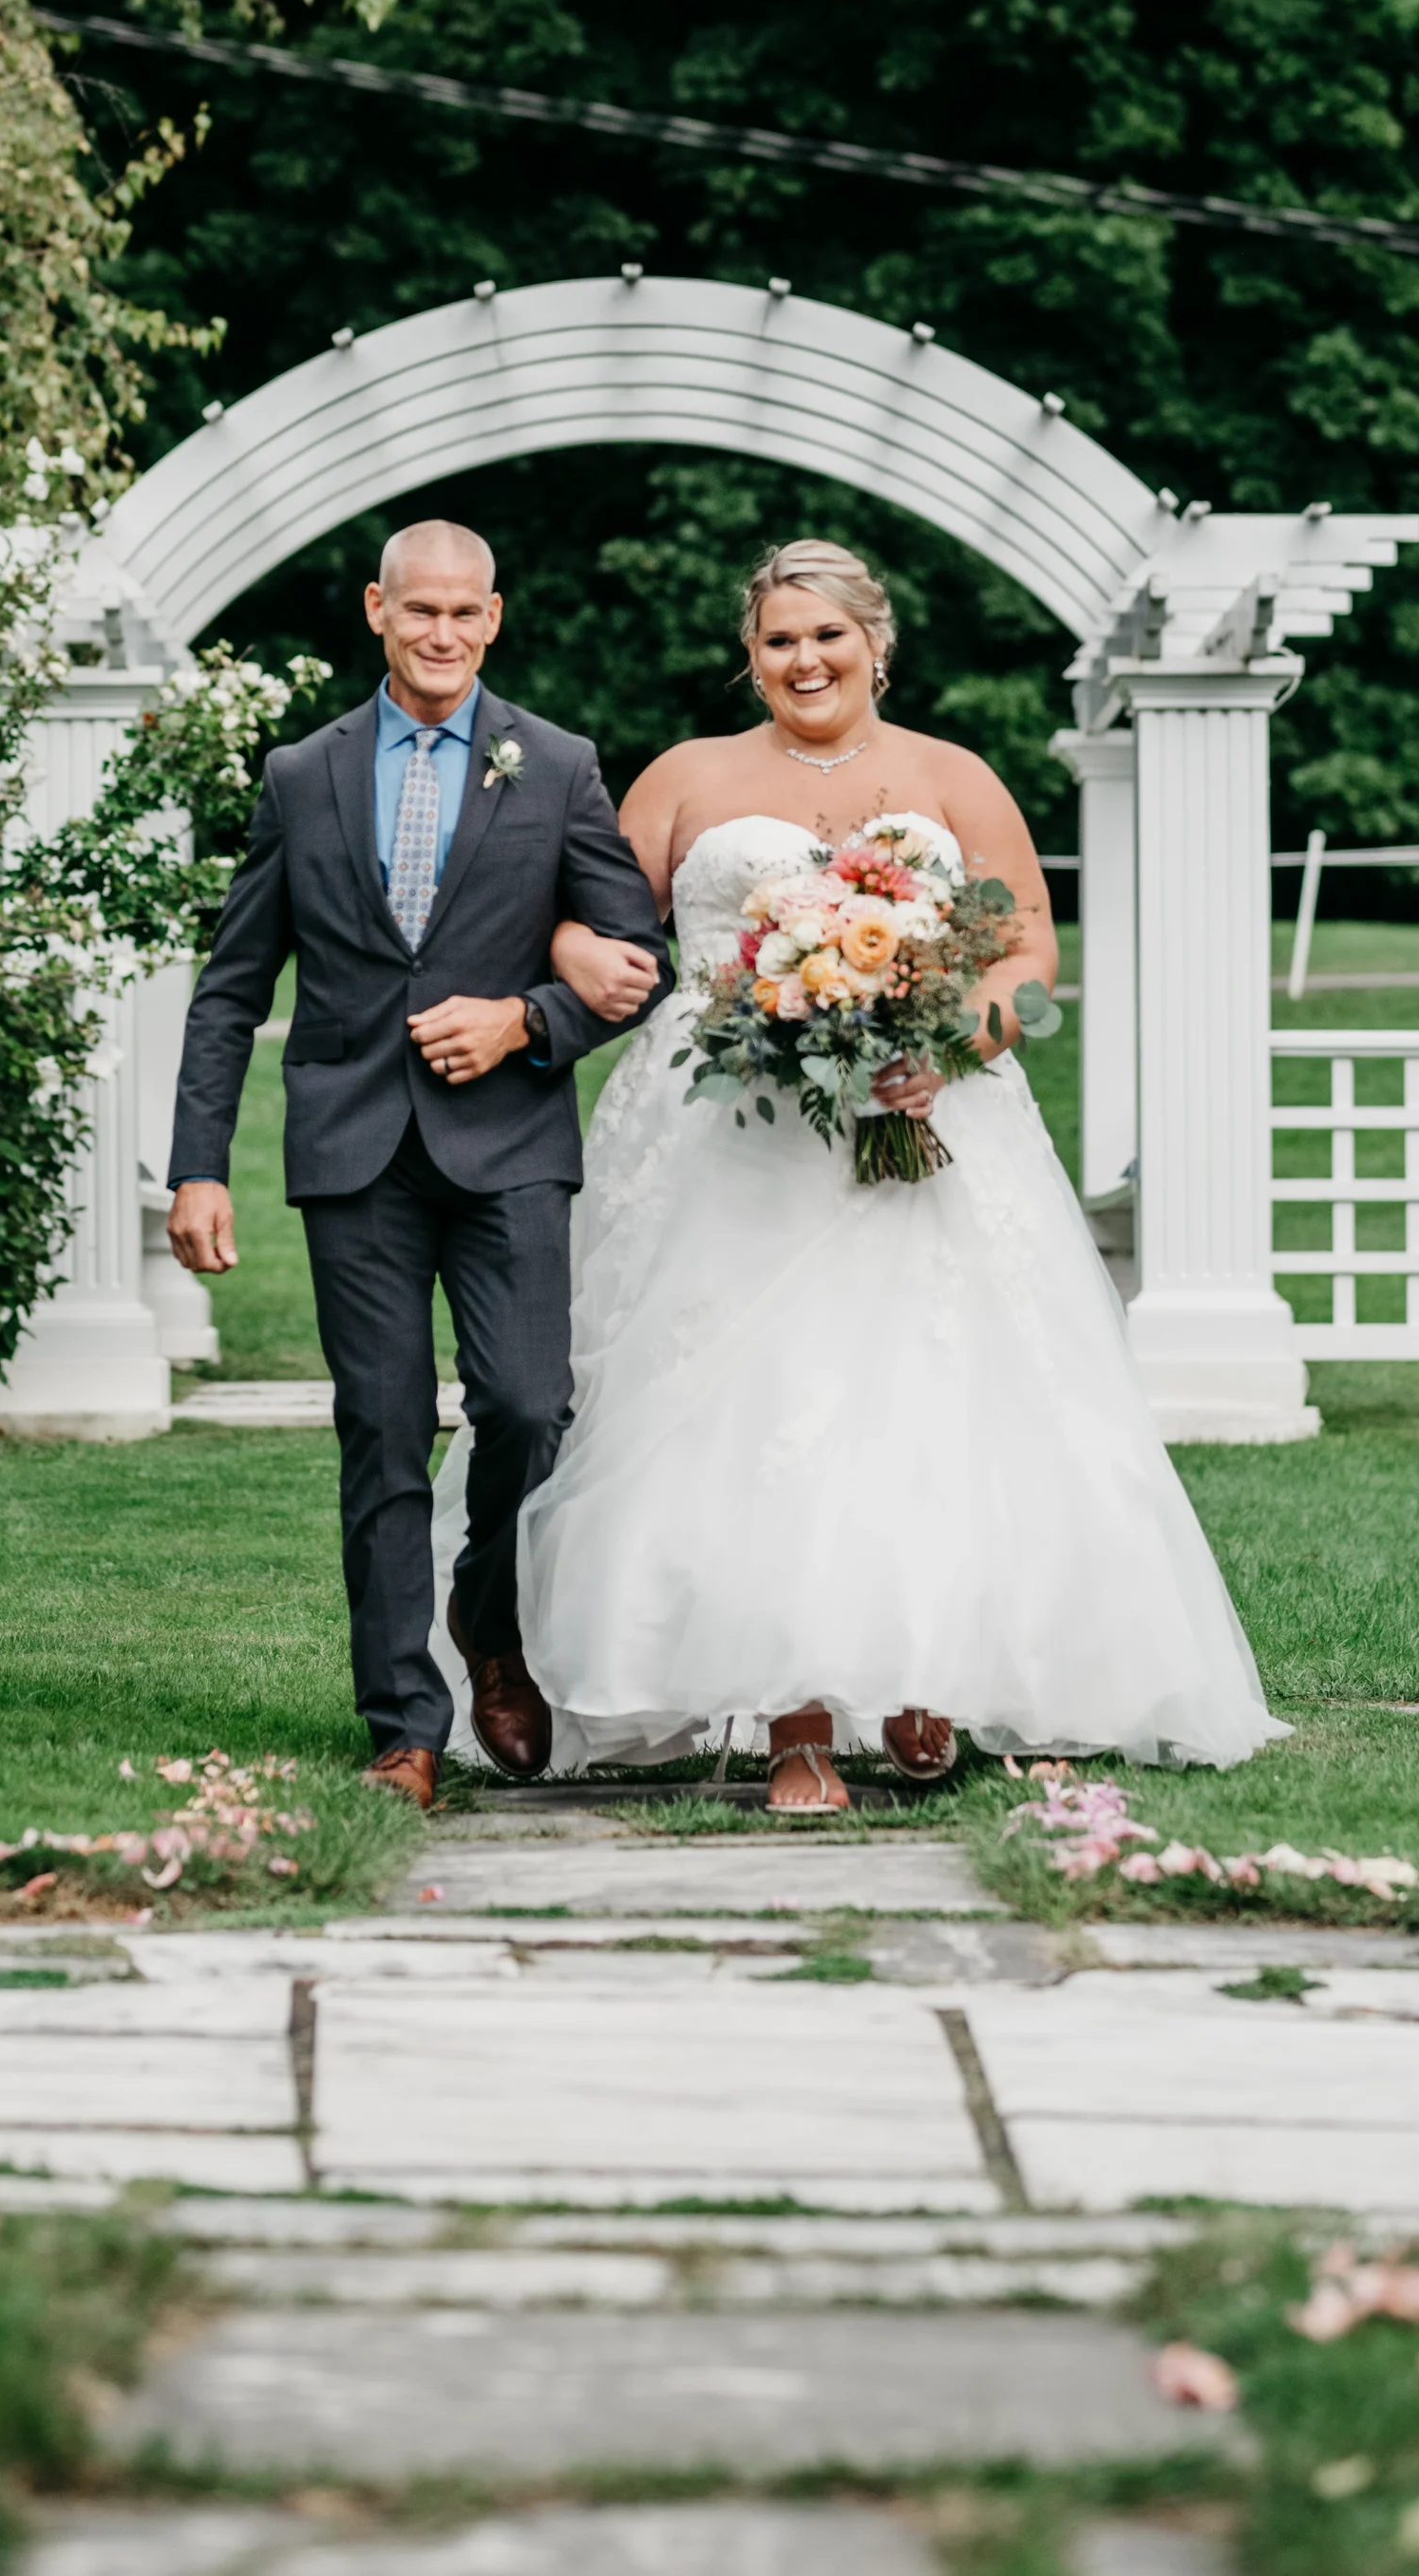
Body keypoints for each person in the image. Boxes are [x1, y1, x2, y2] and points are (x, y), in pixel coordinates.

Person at [429, 536, 1284, 1811]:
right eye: (779, 640)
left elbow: (1026, 949)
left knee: (931, 1395)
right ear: (750, 656)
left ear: (876, 643)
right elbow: (589, 913)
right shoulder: (688, 775)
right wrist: (605, 970)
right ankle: (798, 1720)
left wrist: (945, 1047)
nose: (804, 659)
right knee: (755, 1408)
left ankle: (923, 1671)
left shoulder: (951, 774)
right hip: (728, 1134)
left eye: (827, 635)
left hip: (924, 1127)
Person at [165, 520, 671, 1812]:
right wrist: (198, 1165)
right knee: (382, 1429)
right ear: (377, 611)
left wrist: (526, 1022)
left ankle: (487, 1619)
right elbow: (231, 986)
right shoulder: (301, 772)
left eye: (466, 613)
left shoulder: (555, 764)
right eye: (419, 611)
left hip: (507, 1141)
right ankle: (405, 1719)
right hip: (352, 1149)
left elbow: (632, 961)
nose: (442, 634)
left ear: (493, 620)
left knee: (524, 1404)